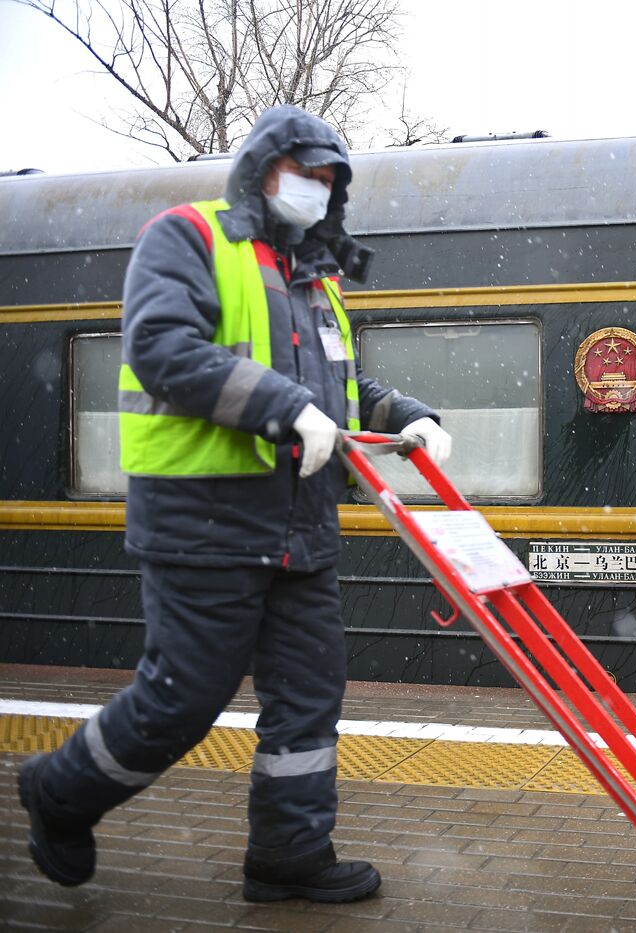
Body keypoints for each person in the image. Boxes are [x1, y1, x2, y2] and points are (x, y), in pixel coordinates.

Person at [16, 104, 451, 903]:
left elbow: (339, 393)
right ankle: (59, 791)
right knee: (181, 701)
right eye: (304, 174)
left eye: (328, 180)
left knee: (310, 698)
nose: (315, 191)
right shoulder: (186, 237)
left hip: (300, 528)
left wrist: (408, 416)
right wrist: (283, 406)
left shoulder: (315, 281)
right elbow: (164, 349)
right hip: (203, 522)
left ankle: (289, 852)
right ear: (261, 170)